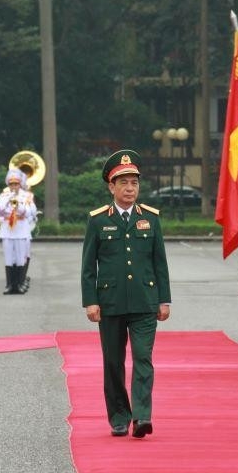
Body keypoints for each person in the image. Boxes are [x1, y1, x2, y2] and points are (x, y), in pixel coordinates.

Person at [80, 149, 171, 439]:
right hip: (110, 303)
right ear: (111, 186)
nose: (130, 188)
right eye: (124, 183)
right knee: (113, 362)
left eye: (134, 183)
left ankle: (142, 416)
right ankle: (119, 416)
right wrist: (91, 301)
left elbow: (160, 263)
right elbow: (88, 267)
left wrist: (164, 299)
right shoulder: (97, 221)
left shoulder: (151, 219)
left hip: (145, 302)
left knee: (143, 358)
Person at [0, 169, 37, 294]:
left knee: (19, 258)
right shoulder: (4, 196)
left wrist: (19, 206)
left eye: (16, 184)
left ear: (20, 184)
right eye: (11, 184)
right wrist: (7, 201)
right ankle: (9, 285)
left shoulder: (27, 196)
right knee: (8, 258)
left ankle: (19, 284)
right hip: (7, 230)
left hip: (21, 230)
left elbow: (29, 212)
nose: (14, 186)